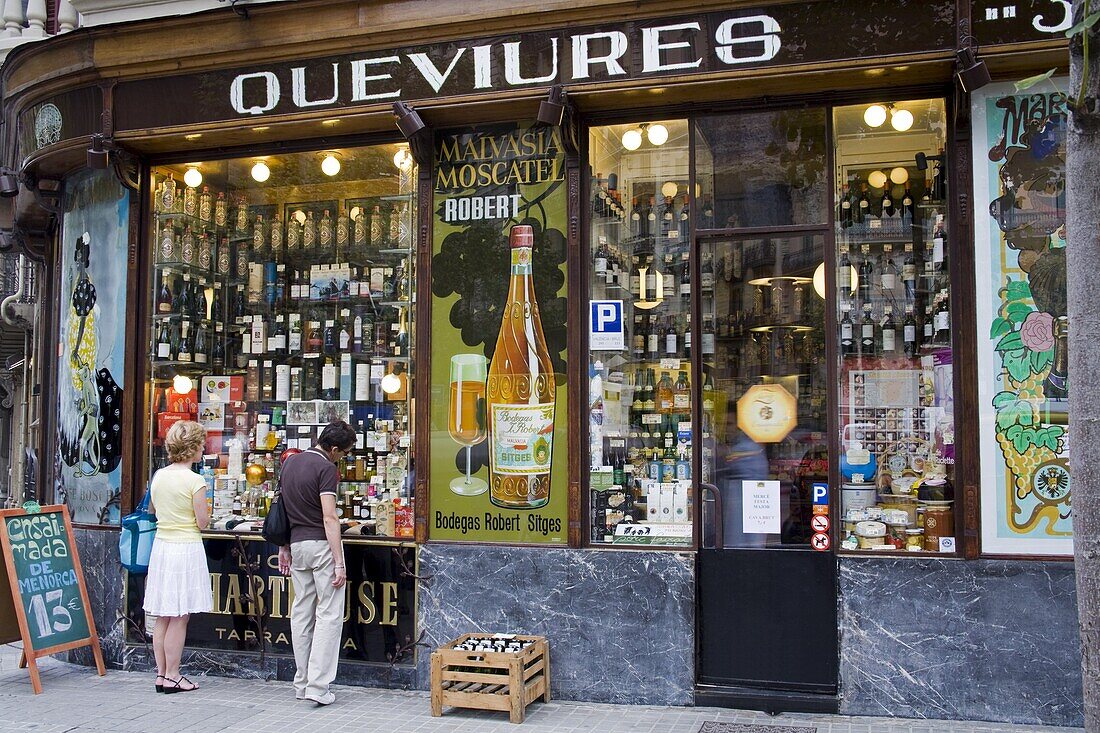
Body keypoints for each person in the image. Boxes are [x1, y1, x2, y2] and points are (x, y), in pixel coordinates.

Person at [277, 421, 357, 705]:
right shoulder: (326, 469)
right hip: (322, 546)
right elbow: (329, 517)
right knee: (329, 614)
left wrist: (284, 546)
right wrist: (339, 562)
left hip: (297, 545)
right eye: (344, 453)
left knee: (301, 613)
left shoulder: (290, 463)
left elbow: (282, 510)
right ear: (333, 448)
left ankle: (301, 682)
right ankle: (318, 686)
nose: (343, 458)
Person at [144, 420, 211, 694]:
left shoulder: (159, 475)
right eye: (201, 444)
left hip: (162, 546)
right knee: (180, 616)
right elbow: (203, 522)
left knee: (163, 614)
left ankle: (161, 674)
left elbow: (152, 509)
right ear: (193, 447)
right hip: (185, 548)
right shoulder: (195, 481)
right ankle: (174, 674)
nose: (204, 448)